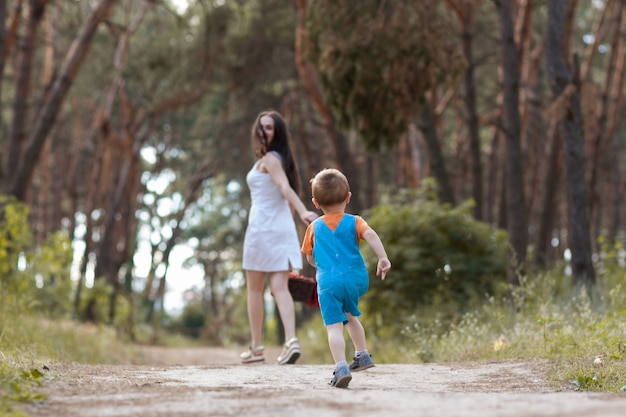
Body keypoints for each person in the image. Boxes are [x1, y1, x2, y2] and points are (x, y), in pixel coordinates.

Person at [240, 110, 318, 365]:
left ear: (277, 132)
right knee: (280, 287)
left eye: (270, 128)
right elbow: (283, 187)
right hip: (280, 228)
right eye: (261, 127)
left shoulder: (271, 159)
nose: (264, 131)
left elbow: (285, 188)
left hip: (263, 228)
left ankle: (257, 347)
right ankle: (291, 341)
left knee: (254, 289)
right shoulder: (274, 158)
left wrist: (303, 210)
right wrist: (300, 214)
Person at [301, 168, 391, 388]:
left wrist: (320, 265)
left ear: (315, 203)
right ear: (348, 197)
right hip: (355, 279)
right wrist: (382, 257)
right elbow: (369, 234)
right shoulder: (355, 221)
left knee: (334, 326)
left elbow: (311, 258)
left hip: (329, 282)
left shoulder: (313, 227)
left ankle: (341, 367)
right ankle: (362, 354)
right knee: (351, 315)